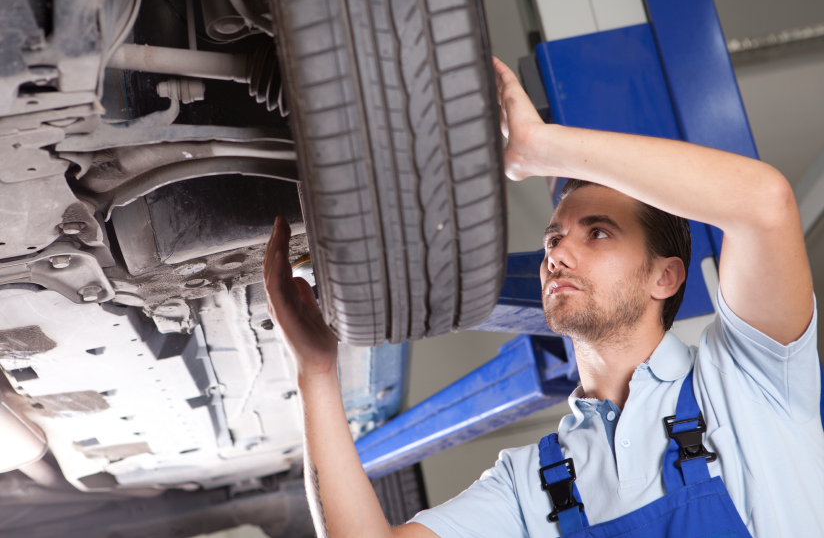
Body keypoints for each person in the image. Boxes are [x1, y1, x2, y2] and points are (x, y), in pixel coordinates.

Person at [262, 57, 824, 537]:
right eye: (554, 239)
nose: (557, 253)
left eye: (597, 233)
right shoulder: (536, 482)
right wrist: (314, 373)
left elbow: (764, 203)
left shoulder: (750, 379)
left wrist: (542, 149)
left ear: (666, 277)